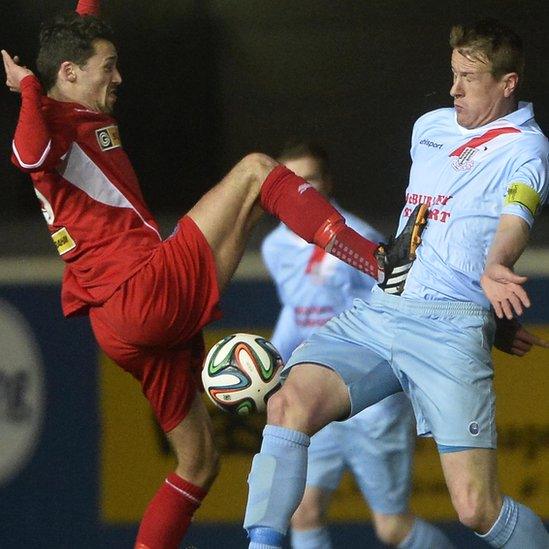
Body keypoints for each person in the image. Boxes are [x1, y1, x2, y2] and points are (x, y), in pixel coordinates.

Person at [2, 1, 428, 547]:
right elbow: (28, 151)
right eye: (108, 66)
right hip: (143, 289)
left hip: (117, 324)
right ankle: (379, 263)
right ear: (68, 74)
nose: (118, 76)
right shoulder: (53, 120)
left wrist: (87, 16)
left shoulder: (76, 102)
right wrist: (29, 89)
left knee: (198, 464)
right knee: (255, 171)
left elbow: (78, 38)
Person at [243, 18, 549, 549]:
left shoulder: (527, 150)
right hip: (383, 312)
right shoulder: (429, 127)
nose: (454, 88)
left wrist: (497, 267)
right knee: (286, 404)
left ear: (508, 84)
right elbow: (429, 232)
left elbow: (515, 215)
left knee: (477, 509)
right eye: (452, 74)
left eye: (469, 78)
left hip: (449, 332)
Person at [262, 140, 455, 548]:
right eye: (291, 181)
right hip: (313, 387)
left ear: (328, 183)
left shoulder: (359, 239)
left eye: (310, 179)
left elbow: (395, 314)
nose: (302, 190)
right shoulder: (275, 246)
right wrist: (272, 358)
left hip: (370, 403)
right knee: (302, 511)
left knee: (391, 526)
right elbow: (297, 311)